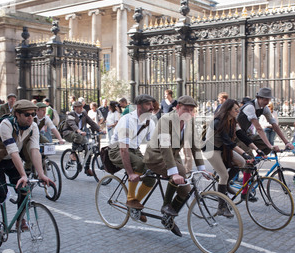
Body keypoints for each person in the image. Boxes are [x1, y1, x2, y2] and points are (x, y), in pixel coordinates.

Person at [0, 100, 54, 239]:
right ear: (17, 114)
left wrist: (41, 174)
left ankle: (20, 220)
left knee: (24, 190)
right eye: (27, 114)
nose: (30, 117)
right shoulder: (6, 125)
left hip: (11, 161)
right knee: (1, 192)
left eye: (32, 114)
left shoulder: (33, 126)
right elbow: (13, 151)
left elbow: (34, 151)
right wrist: (23, 174)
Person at [144, 95, 210, 236]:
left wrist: (202, 169)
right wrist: (173, 172)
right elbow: (165, 146)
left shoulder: (190, 122)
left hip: (172, 157)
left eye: (192, 110)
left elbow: (195, 146)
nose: (189, 113)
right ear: (177, 107)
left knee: (185, 191)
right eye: (186, 109)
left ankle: (167, 219)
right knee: (180, 171)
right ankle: (166, 205)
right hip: (156, 157)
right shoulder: (166, 120)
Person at [204, 99, 262, 215]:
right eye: (235, 110)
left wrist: (257, 149)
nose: (238, 111)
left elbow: (242, 136)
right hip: (212, 149)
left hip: (223, 148)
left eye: (238, 109)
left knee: (241, 163)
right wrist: (245, 154)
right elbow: (228, 142)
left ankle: (225, 184)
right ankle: (221, 207)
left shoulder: (233, 121)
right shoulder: (218, 121)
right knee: (224, 174)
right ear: (228, 110)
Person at [108, 94, 157, 222]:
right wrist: (130, 173)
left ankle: (135, 205)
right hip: (116, 149)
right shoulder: (127, 120)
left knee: (152, 176)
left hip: (135, 150)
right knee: (140, 164)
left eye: (152, 104)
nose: (152, 107)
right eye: (148, 105)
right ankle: (130, 199)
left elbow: (154, 145)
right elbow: (123, 149)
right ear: (139, 106)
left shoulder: (149, 122)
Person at [236, 88, 294, 155]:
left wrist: (286, 142)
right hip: (237, 134)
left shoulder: (265, 108)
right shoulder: (250, 107)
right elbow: (259, 128)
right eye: (265, 99)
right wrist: (270, 145)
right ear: (259, 98)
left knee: (266, 148)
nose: (267, 102)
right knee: (249, 157)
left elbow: (274, 125)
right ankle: (249, 163)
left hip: (246, 133)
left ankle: (256, 160)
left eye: (269, 100)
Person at [62, 101, 101, 176]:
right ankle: (73, 153)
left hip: (79, 134)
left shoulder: (84, 114)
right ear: (74, 108)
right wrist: (79, 131)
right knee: (78, 135)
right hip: (68, 133)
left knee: (89, 148)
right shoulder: (71, 114)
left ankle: (87, 168)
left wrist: (99, 129)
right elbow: (72, 124)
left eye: (81, 107)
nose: (80, 109)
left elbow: (91, 122)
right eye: (78, 107)